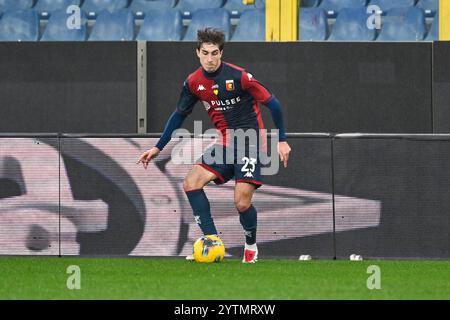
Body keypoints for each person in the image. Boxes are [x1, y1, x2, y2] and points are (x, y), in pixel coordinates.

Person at [137, 28, 291, 263]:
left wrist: (281, 140)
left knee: (241, 202)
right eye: (206, 53)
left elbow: (275, 104)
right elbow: (179, 115)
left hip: (251, 144)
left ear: (221, 53)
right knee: (191, 183)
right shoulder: (193, 83)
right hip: (226, 143)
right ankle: (212, 242)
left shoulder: (240, 77)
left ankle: (251, 246)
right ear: (197, 53)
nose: (210, 58)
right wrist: (158, 147)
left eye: (215, 53)